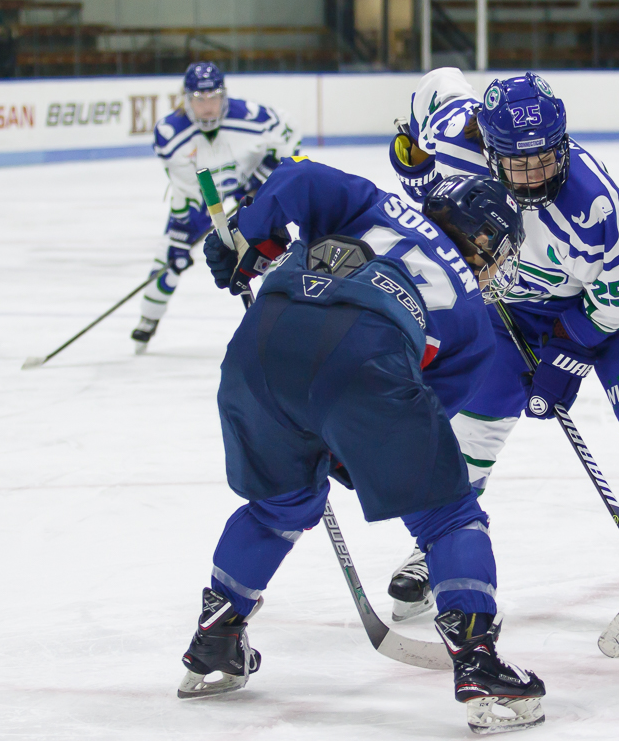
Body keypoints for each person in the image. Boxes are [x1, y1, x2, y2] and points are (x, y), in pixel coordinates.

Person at [383, 68, 619, 641]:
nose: (536, 177)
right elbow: (438, 87)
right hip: (519, 303)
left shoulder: (591, 204)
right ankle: (439, 545)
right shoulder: (456, 139)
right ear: (488, 145)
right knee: (469, 427)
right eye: (520, 163)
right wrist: (409, 158)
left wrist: (567, 355)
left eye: (547, 159)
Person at [179, 159, 546, 734]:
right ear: (484, 243)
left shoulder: (369, 201)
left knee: (277, 506)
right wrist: (346, 450)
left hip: (257, 350)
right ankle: (477, 661)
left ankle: (217, 636)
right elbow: (419, 407)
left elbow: (298, 181)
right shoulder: (473, 320)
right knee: (448, 515)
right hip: (364, 362)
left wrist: (252, 235)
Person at [133, 61, 301, 352]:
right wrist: (181, 239)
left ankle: (286, 323)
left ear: (224, 96)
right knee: (167, 262)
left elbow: (289, 133)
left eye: (214, 98)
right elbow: (186, 190)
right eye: (200, 100)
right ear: (186, 100)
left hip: (247, 190)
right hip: (201, 199)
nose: (208, 107)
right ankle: (149, 319)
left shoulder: (253, 118)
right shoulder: (170, 135)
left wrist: (262, 180)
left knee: (268, 255)